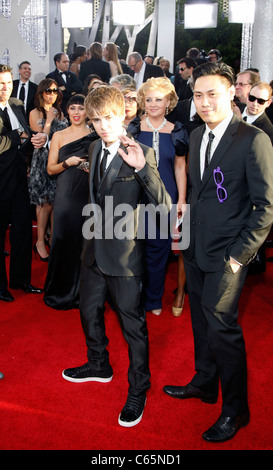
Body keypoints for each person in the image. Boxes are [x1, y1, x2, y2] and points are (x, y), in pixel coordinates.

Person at [163, 61, 273, 442]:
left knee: (223, 329)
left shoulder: (252, 139)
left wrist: (239, 256)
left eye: (213, 94)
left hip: (229, 255)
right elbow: (198, 193)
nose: (205, 102)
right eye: (198, 95)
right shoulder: (195, 136)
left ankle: (236, 411)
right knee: (200, 323)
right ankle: (205, 383)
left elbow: (265, 208)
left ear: (232, 93)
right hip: (195, 249)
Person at [62, 85, 172, 428]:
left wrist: (141, 168)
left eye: (108, 118)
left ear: (123, 113)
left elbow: (164, 207)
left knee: (132, 326)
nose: (102, 126)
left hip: (125, 257)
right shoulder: (94, 147)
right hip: (94, 248)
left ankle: (139, 387)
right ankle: (99, 364)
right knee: (87, 311)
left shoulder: (140, 151)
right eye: (95, 120)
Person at [128, 77, 188, 315]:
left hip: (165, 198)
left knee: (158, 250)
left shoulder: (177, 131)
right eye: (149, 99)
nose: (153, 104)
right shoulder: (133, 128)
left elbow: (180, 168)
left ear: (169, 102)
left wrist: (181, 199)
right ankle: (132, 299)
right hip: (135, 197)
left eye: (159, 99)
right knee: (133, 250)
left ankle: (153, 300)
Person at [44, 94, 98, 309]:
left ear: (88, 112)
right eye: (72, 108)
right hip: (66, 194)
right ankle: (59, 292)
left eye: (81, 108)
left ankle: (80, 293)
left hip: (87, 194)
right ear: (67, 111)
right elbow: (50, 169)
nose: (76, 113)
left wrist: (88, 166)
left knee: (84, 244)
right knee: (63, 239)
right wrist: (67, 162)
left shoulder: (95, 136)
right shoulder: (58, 135)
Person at [0, 64, 45, 302]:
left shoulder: (17, 105)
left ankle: (20, 280)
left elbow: (26, 136)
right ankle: (0, 286)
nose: (5, 88)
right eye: (0, 83)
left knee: (23, 232)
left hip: (19, 178)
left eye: (8, 82)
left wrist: (33, 140)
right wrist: (17, 137)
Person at [28, 78, 68, 261]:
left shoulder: (61, 113)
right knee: (44, 203)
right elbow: (40, 140)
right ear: (41, 93)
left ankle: (49, 237)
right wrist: (49, 120)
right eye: (48, 91)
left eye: (55, 91)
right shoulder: (35, 113)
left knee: (54, 201)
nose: (52, 94)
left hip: (58, 161)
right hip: (42, 161)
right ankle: (39, 242)